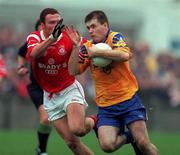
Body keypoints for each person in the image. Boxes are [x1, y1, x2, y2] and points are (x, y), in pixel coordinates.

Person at [65, 10, 159, 155]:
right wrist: (75, 47)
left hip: (128, 101)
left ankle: (137, 139)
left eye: (94, 26)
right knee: (107, 146)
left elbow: (124, 55)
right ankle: (131, 136)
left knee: (144, 144)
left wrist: (96, 52)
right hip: (106, 106)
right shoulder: (86, 46)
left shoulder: (114, 37)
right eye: (88, 27)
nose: (91, 30)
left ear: (105, 25)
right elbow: (73, 71)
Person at [26, 8, 95, 155]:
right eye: (52, 22)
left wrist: (108, 49)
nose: (56, 25)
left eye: (58, 22)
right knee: (72, 144)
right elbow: (34, 54)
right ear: (43, 25)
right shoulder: (35, 37)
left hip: (69, 89)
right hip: (50, 96)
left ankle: (96, 120)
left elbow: (92, 47)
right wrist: (51, 38)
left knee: (78, 129)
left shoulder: (68, 36)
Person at [17, 19, 52, 155]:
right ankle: (42, 150)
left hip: (57, 88)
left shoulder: (59, 43)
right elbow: (21, 53)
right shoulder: (31, 43)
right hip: (37, 87)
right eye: (40, 30)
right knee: (45, 118)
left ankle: (41, 148)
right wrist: (21, 67)